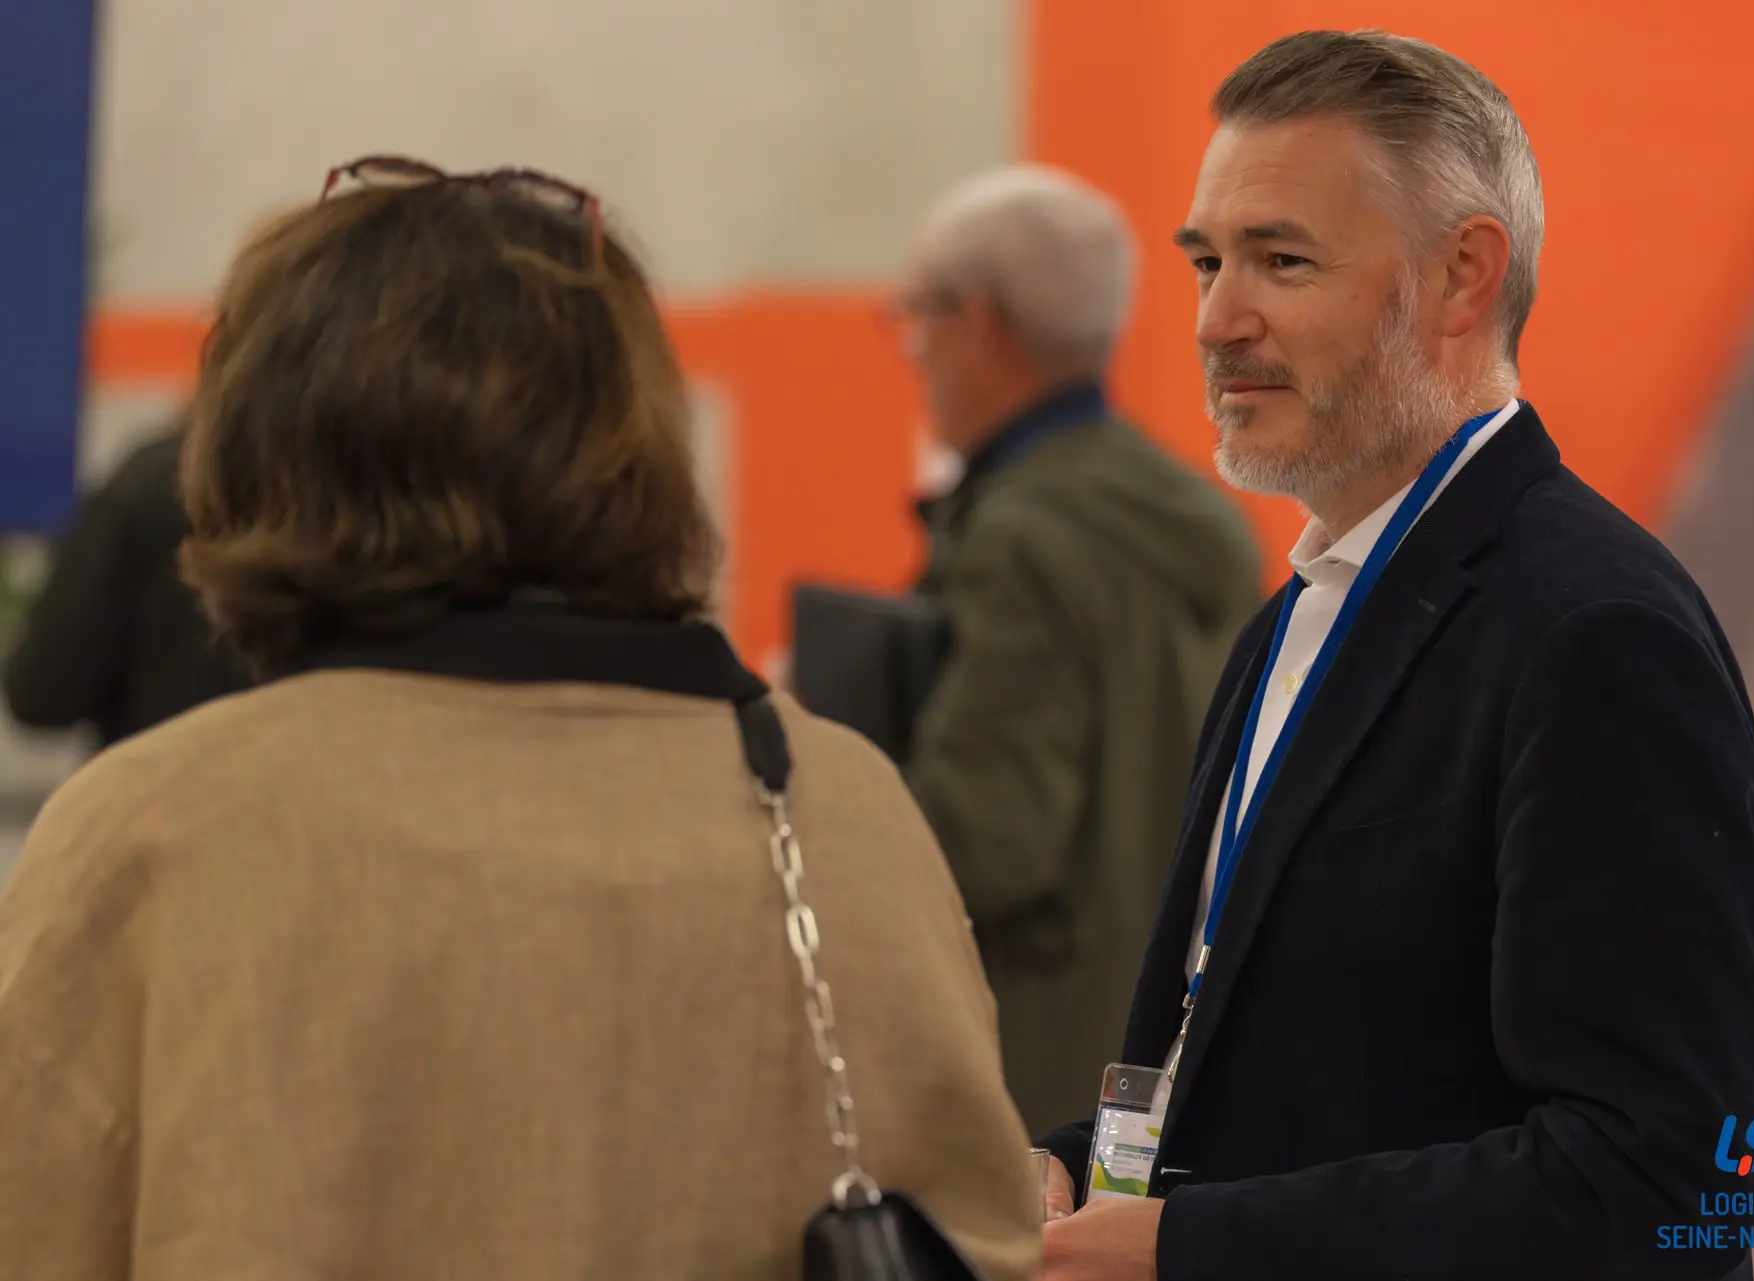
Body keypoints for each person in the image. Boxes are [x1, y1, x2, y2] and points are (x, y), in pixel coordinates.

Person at [0, 157, 1039, 1281]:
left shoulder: (154, 831)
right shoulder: (838, 806)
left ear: (264, 441)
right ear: (642, 442)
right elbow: (978, 1235)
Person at [1035, 31, 1754, 1281]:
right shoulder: (1298, 617)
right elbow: (1281, 1075)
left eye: (1281, 260)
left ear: (1461, 278)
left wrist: (1183, 1246)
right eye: (1208, 261)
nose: (1216, 321)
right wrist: (1070, 1169)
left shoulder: (1599, 639)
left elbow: (1663, 1187)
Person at [892, 165, 1265, 1135]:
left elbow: (988, 840)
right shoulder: (1201, 516)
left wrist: (837, 770)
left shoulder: (1020, 541)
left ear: (978, 322)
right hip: (1182, 1054)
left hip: (1036, 1071)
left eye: (917, 315)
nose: (911, 348)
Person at [3, 422, 250, 746]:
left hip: (154, 765)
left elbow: (41, 691)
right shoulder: (307, 499)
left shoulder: (148, 488)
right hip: (290, 768)